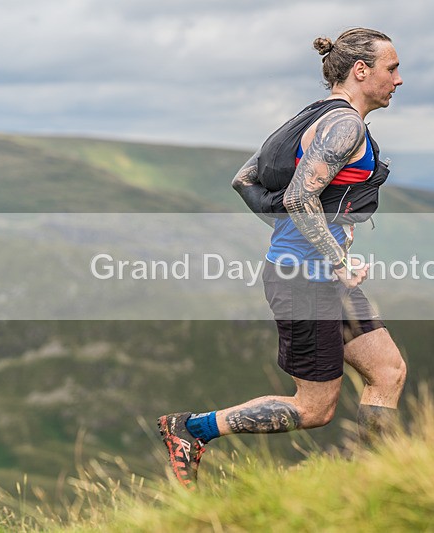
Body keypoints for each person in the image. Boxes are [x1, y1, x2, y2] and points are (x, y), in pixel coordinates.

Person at [158, 27, 407, 488]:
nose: (398, 80)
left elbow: (244, 178)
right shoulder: (344, 125)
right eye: (391, 69)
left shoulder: (314, 116)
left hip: (315, 276)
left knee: (387, 370)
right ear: (360, 70)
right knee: (314, 408)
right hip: (304, 281)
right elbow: (297, 199)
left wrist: (299, 239)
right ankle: (191, 429)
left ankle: (378, 480)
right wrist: (336, 256)